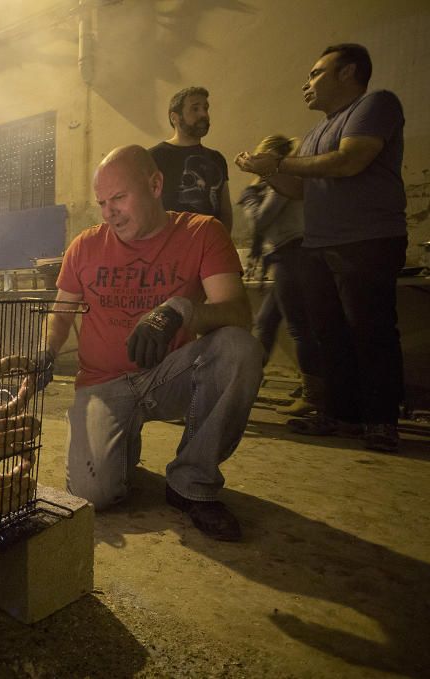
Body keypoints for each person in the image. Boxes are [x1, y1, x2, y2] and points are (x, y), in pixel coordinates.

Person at [42, 145, 261, 542]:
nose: (109, 212)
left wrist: (180, 310)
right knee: (95, 495)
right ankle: (119, 446)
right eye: (102, 203)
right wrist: (44, 353)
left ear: (155, 184)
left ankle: (191, 482)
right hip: (102, 384)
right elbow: (60, 314)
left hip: (168, 374)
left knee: (238, 349)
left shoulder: (201, 232)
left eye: (119, 198)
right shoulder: (85, 246)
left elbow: (238, 313)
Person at [235, 43, 407, 452]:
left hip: (366, 239)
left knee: (371, 331)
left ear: (347, 73)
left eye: (315, 72)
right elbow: (298, 187)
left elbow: (350, 161)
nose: (306, 82)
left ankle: (381, 421)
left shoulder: (375, 105)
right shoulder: (314, 134)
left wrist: (276, 164)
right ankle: (342, 414)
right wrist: (264, 173)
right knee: (330, 333)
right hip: (318, 244)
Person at [237, 135, 320, 416]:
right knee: (265, 323)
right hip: (286, 254)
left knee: (299, 326)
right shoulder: (277, 179)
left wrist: (250, 199)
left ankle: (314, 396)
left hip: (293, 253)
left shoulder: (282, 177)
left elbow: (261, 219)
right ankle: (243, 388)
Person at [149, 87, 233, 232]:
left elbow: (225, 210)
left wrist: (223, 243)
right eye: (195, 109)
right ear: (174, 118)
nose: (203, 114)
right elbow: (145, 208)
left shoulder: (216, 158)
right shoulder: (153, 157)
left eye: (205, 108)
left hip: (210, 248)